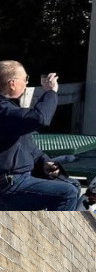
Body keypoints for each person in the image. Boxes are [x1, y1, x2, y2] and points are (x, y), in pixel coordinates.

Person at [0, 62, 82, 211]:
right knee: (67, 193)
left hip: (20, 177)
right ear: (12, 83)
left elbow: (27, 145)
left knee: (73, 185)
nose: (26, 83)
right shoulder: (3, 110)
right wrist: (51, 92)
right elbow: (39, 118)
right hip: (8, 186)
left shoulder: (11, 108)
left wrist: (44, 161)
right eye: (25, 79)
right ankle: (54, 233)